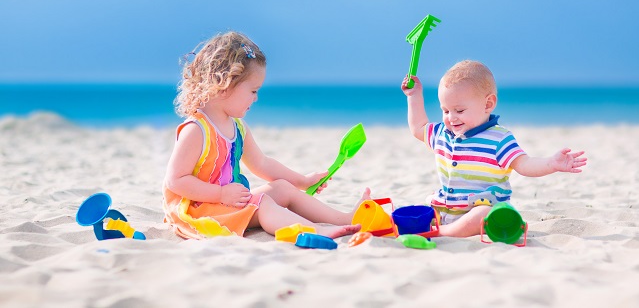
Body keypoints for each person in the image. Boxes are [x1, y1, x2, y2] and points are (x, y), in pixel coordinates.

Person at [163, 31, 366, 240]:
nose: (256, 97)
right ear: (224, 84)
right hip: (200, 212)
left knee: (283, 189)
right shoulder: (197, 130)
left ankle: (344, 219)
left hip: (228, 204)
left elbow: (261, 163)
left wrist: (303, 181)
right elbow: (176, 180)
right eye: (253, 90)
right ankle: (316, 231)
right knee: (263, 204)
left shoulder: (238, 127)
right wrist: (220, 194)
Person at [401, 60, 587, 237]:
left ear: (488, 104)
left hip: (480, 210)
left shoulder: (498, 138)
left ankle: (444, 233)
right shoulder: (442, 133)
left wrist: (550, 163)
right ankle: (439, 227)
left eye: (459, 110)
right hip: (445, 208)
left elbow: (524, 164)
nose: (451, 117)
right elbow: (418, 127)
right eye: (446, 110)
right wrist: (414, 96)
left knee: (483, 214)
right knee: (418, 211)